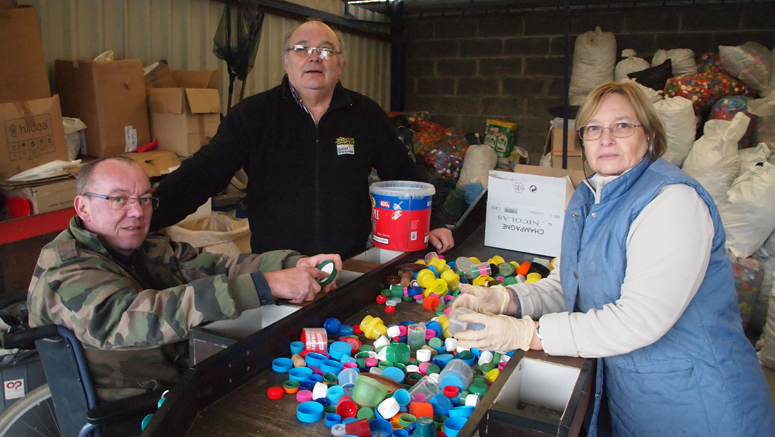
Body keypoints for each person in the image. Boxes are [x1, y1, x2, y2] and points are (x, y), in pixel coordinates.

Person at [451, 81, 775, 436]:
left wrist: (528, 333)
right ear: (583, 142)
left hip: (696, 404)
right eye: (593, 129)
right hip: (635, 398)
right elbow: (568, 285)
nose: (606, 138)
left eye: (622, 126)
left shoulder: (672, 201)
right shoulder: (589, 199)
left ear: (649, 136)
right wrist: (506, 299)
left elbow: (639, 319)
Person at [27, 156, 341, 402]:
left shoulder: (144, 246)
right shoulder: (66, 269)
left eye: (145, 199)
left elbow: (216, 267)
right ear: (83, 207)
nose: (137, 212)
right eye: (118, 200)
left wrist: (292, 263)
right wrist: (264, 285)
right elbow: (137, 317)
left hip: (179, 373)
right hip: (135, 400)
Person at [150, 19, 454, 260]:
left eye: (326, 50)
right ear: (286, 61)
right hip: (279, 268)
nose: (314, 57)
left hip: (350, 262)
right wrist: (146, 216)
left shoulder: (364, 114)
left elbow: (402, 171)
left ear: (340, 64)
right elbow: (203, 173)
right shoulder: (254, 115)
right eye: (301, 48)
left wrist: (435, 219)